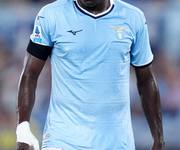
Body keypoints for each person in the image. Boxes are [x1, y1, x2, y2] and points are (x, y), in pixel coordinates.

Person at [16, 0, 165, 149]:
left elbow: (146, 81)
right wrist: (23, 130)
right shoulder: (51, 15)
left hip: (117, 142)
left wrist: (158, 138)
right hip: (62, 140)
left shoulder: (133, 18)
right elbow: (30, 74)